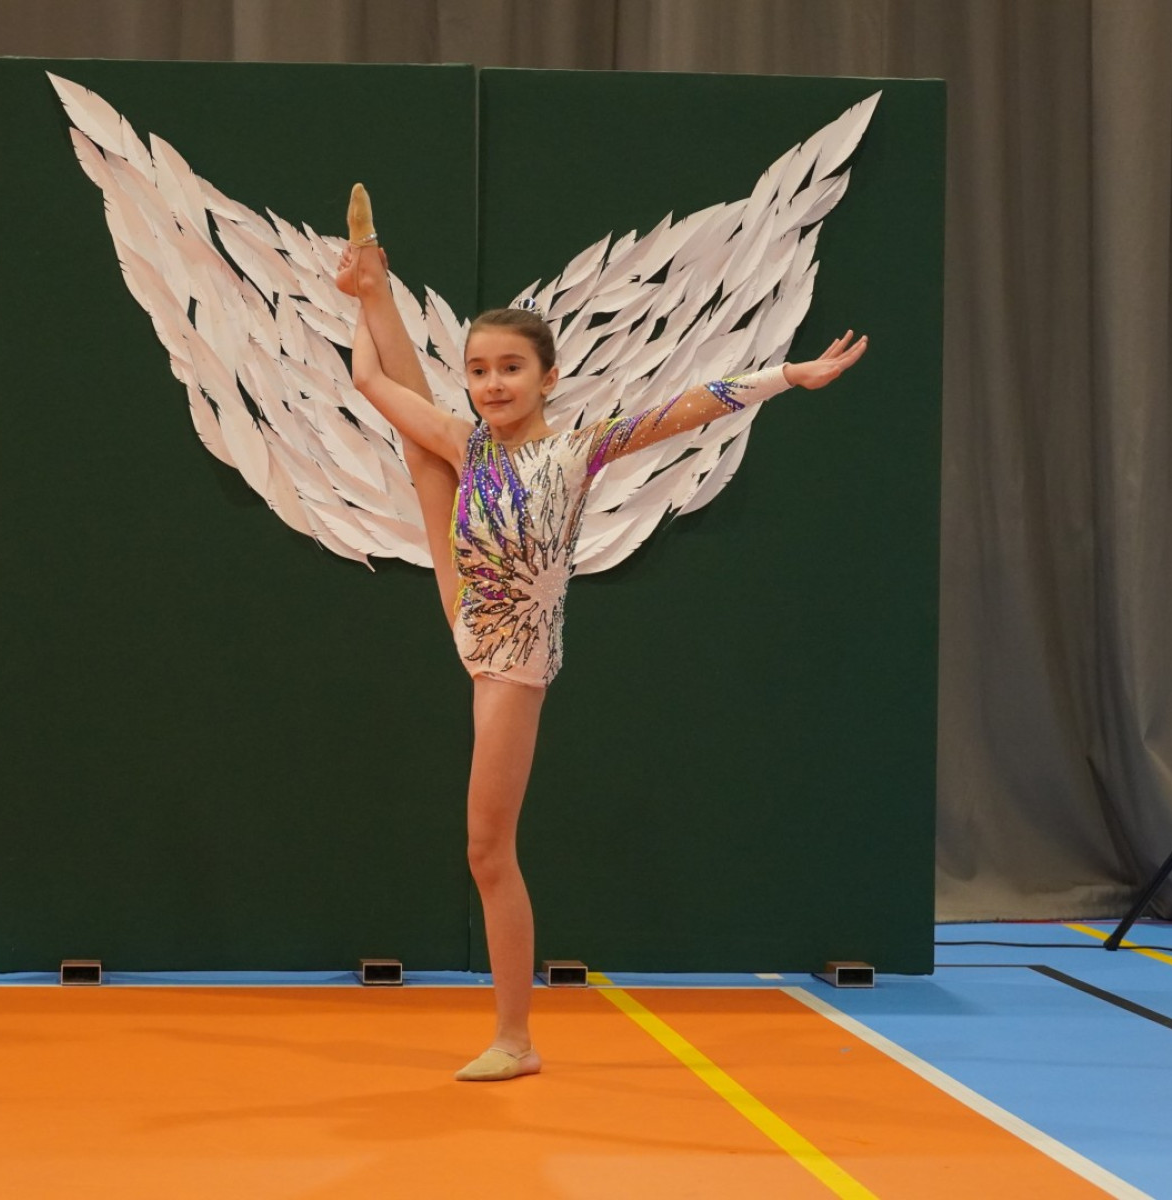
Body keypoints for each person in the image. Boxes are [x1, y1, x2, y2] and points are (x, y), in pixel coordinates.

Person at [333, 184, 867, 1082]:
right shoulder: (470, 442)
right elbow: (368, 383)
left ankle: (516, 1039)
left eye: (510, 368)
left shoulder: (574, 451)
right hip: (470, 610)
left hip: (514, 655)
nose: (492, 384)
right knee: (425, 451)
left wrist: (786, 376)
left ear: (549, 377)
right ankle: (378, 276)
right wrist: (361, 302)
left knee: (486, 848)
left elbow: (688, 407)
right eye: (478, 370)